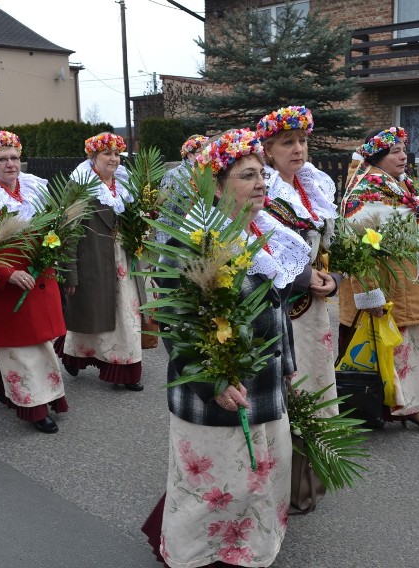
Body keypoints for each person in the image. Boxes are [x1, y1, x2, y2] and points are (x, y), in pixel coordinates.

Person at [143, 128, 309, 568]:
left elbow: (276, 309)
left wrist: (287, 364)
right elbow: (175, 324)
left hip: (265, 382)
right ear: (216, 186)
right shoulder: (193, 240)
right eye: (246, 174)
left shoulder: (265, 232)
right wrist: (213, 381)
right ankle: (196, 556)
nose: (260, 182)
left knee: (259, 479)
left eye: (261, 173)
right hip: (214, 386)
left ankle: (247, 553)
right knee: (216, 485)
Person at [0, 130, 68, 434]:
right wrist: (6, 274)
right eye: (2, 159)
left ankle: (6, 385)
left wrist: (53, 248)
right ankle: (34, 408)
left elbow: (52, 225)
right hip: (6, 287)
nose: (10, 164)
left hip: (38, 277)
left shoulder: (33, 187)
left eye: (14, 158)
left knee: (38, 343)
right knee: (19, 348)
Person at [338, 127, 419, 432]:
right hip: (382, 284)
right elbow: (356, 248)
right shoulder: (363, 191)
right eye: (395, 150)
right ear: (377, 155)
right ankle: (381, 407)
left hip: (408, 283)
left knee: (415, 342)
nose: (402, 155)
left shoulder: (402, 184)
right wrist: (370, 295)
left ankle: (412, 406)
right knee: (383, 345)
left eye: (403, 149)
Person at [257, 106, 341, 416]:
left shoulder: (312, 186)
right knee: (295, 380)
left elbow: (334, 244)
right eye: (287, 142)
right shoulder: (262, 191)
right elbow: (259, 253)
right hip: (282, 303)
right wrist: (305, 277)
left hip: (315, 303)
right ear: (268, 150)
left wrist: (335, 280)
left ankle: (315, 450)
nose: (298, 149)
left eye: (302, 141)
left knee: (317, 373)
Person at [58, 132, 147, 391]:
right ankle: (74, 354)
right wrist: (70, 272)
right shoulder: (79, 184)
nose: (114, 159)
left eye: (117, 154)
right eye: (107, 153)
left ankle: (125, 369)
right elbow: (67, 230)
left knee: (126, 314)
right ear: (93, 157)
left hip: (123, 258)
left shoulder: (123, 183)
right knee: (94, 313)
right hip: (94, 259)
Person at [156, 134, 209, 244]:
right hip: (181, 241)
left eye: (207, 151)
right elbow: (165, 215)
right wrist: (164, 249)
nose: (206, 155)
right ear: (190, 155)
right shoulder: (173, 176)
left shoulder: (211, 175)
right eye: (202, 151)